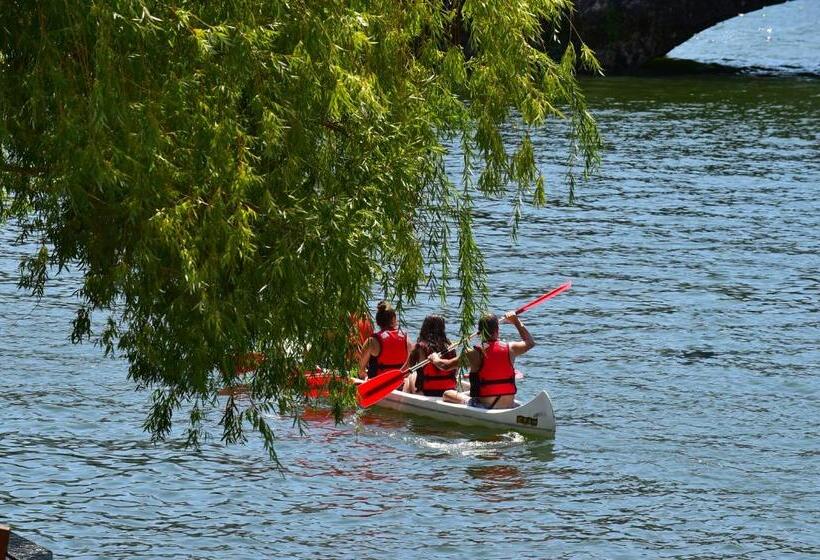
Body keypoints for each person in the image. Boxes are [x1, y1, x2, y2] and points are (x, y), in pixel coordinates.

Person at [432, 310, 534, 409]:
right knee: (468, 388)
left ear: (480, 333)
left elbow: (445, 366)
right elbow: (530, 342)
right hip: (508, 403)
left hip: (486, 405)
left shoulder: (473, 353)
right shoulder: (511, 348)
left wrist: (435, 358)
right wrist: (516, 321)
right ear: (497, 330)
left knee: (447, 394)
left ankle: (466, 402)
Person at [402, 315, 459, 395]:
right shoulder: (451, 346)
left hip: (427, 392)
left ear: (424, 328)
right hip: (449, 390)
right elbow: (455, 372)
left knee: (411, 376)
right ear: (442, 329)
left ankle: (403, 401)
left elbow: (405, 371)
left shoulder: (419, 347)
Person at [358, 301, 414, 379]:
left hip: (377, 384)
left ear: (377, 321)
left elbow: (360, 370)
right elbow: (411, 364)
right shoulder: (406, 338)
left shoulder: (371, 341)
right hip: (399, 384)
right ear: (394, 319)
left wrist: (365, 377)